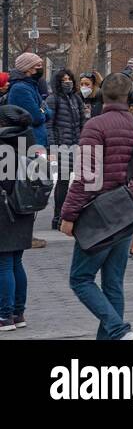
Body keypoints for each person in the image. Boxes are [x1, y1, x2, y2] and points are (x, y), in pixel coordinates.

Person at [59, 73, 133, 340]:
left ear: (102, 95)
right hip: (127, 214)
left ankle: (118, 329)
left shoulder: (95, 126)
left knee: (80, 279)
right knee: (114, 283)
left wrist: (68, 215)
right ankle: (115, 336)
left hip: (99, 214)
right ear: (131, 96)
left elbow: (85, 176)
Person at [0, 98, 35, 332]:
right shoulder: (28, 142)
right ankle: (18, 313)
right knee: (17, 261)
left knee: (3, 263)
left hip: (4, 209)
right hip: (25, 208)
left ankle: (4, 316)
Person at [48, 68, 87, 231]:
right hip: (62, 145)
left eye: (69, 79)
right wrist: (52, 148)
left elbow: (83, 122)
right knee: (63, 182)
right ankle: (58, 216)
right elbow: (49, 125)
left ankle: (73, 215)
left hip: (77, 145)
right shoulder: (53, 99)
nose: (67, 82)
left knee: (79, 182)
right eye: (64, 80)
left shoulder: (76, 99)